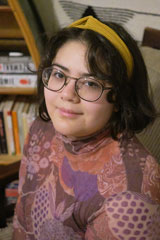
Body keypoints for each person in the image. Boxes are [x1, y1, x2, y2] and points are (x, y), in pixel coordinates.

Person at [12, 16, 160, 240]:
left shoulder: (131, 193)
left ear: (119, 98)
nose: (67, 95)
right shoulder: (41, 127)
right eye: (59, 74)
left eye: (90, 83)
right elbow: (21, 223)